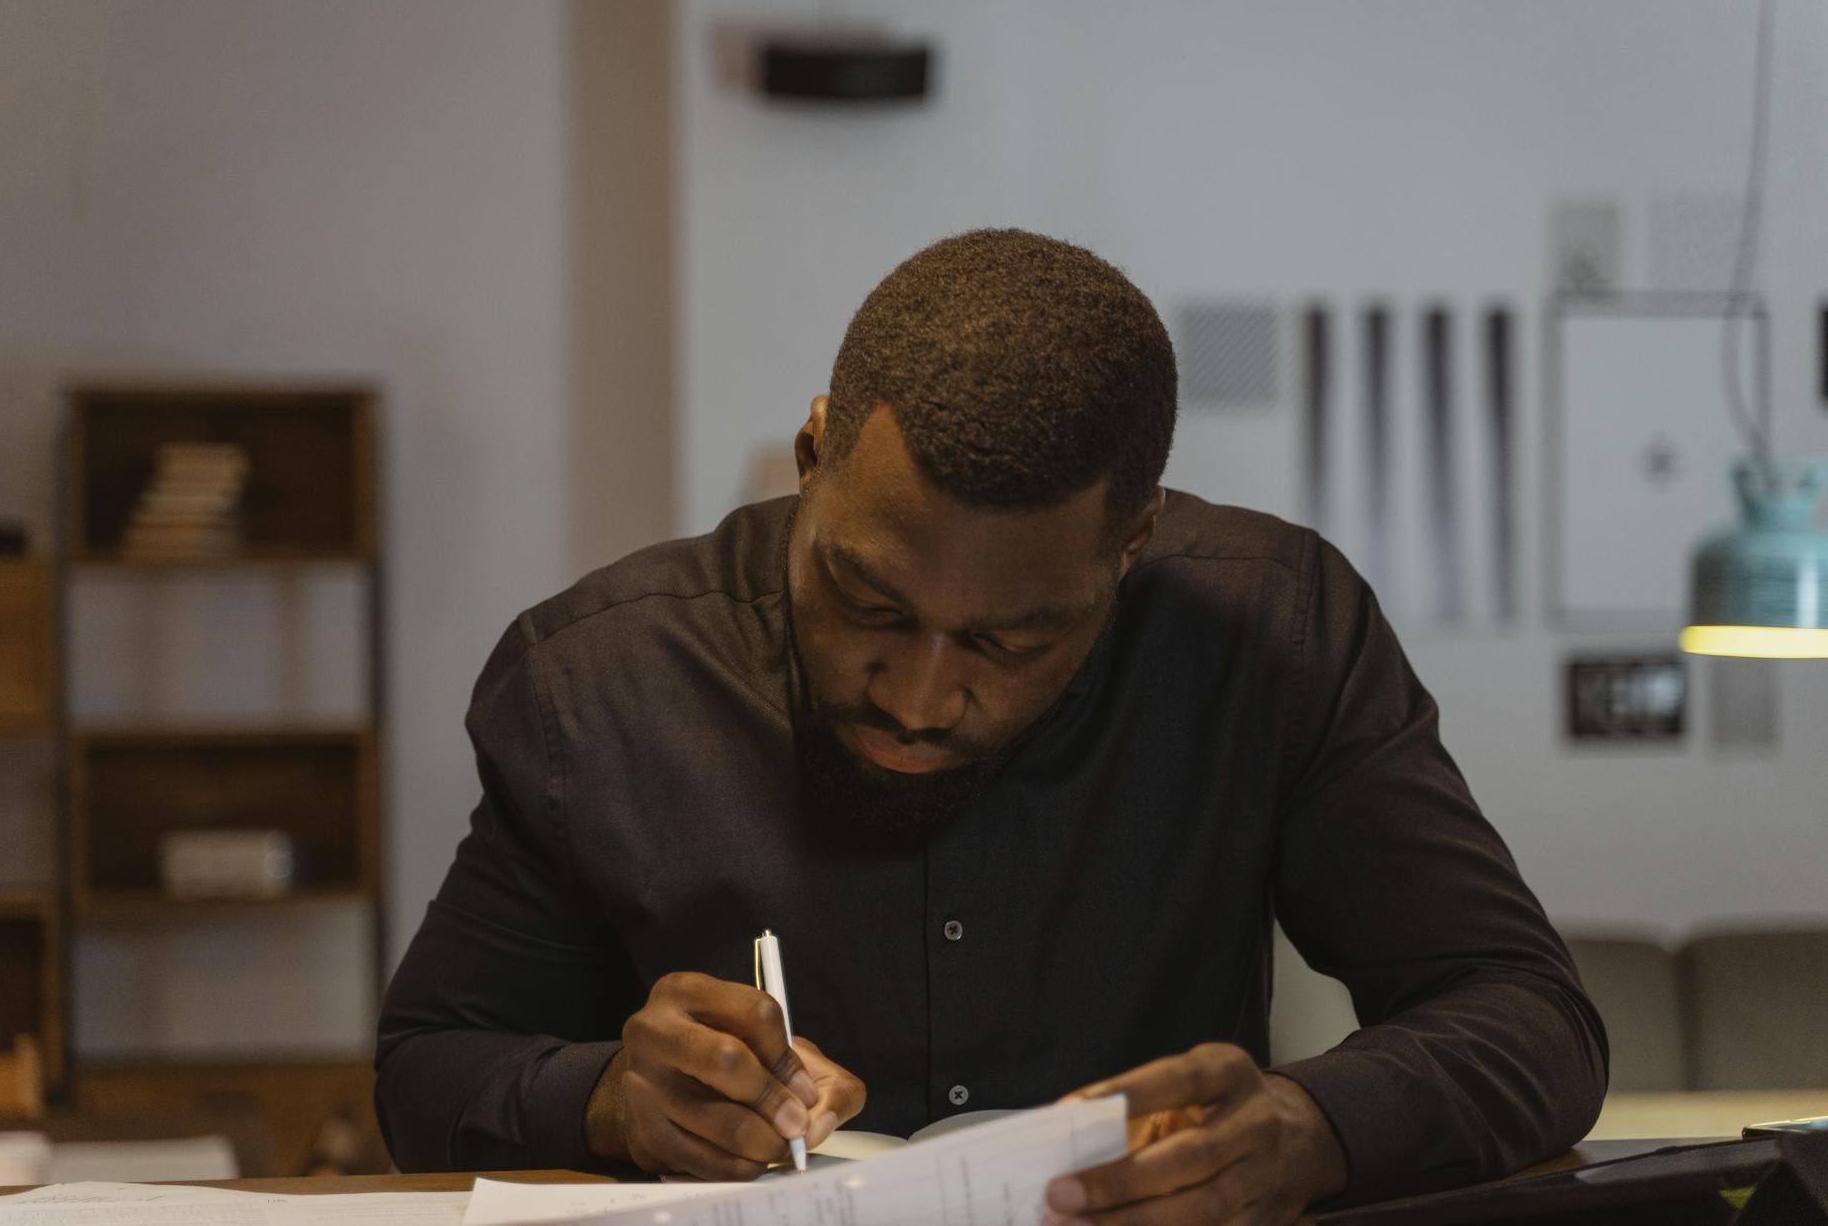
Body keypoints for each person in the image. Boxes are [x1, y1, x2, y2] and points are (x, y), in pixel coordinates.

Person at [376, 229, 1607, 1220]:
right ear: (812, 454)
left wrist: (1308, 1129)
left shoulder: (1272, 636)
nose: (916, 696)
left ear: (1130, 546)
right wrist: (603, 1096)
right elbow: (428, 1063)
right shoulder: (601, 677)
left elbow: (1526, 1014)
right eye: (863, 598)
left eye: (1009, 640)